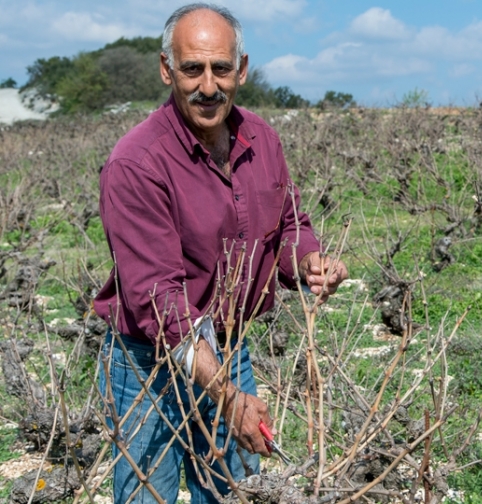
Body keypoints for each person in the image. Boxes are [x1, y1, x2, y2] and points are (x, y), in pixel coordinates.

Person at [93, 3, 347, 502]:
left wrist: (309, 262)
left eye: (221, 69)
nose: (208, 86)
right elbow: (159, 301)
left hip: (231, 348)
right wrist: (227, 395)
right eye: (192, 69)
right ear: (167, 69)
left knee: (235, 493)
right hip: (148, 364)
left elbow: (289, 224)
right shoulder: (136, 163)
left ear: (242, 70)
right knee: (149, 496)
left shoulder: (263, 140)